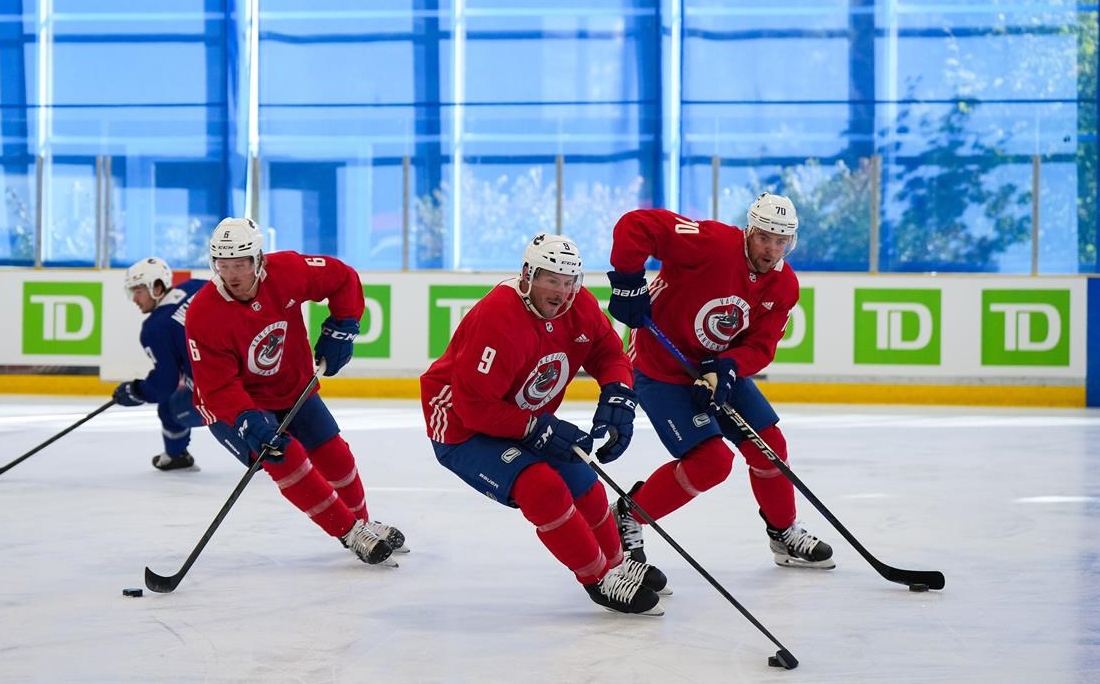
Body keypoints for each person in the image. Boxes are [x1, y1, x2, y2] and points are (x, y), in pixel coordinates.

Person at [420, 233, 669, 616]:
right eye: (551, 279)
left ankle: (618, 563)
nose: (561, 292)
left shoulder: (578, 306)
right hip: (461, 428)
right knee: (542, 487)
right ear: (527, 275)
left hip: (521, 416)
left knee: (583, 478)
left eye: (569, 282)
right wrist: (539, 429)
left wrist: (618, 394)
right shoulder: (498, 318)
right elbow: (474, 408)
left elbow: (608, 352)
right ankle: (598, 577)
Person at [604, 192, 835, 571]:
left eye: (781, 242)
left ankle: (782, 531)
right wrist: (628, 281)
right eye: (764, 238)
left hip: (712, 367)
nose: (771, 250)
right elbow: (636, 225)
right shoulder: (711, 243)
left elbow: (761, 346)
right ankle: (627, 515)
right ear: (749, 231)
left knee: (770, 445)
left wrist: (727, 366)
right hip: (660, 367)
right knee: (711, 462)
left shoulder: (783, 286)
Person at [184, 217, 406, 567]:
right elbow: (218, 387)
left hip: (291, 387)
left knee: (336, 455)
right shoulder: (203, 313)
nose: (232, 274)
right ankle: (350, 533)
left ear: (259, 260)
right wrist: (247, 420)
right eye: (223, 265)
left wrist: (343, 326)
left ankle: (363, 522)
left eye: (240, 263)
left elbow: (342, 277)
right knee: (285, 456)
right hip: (235, 406)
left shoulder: (286, 270)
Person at [113, 257, 209, 471]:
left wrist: (136, 390)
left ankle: (176, 456)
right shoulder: (196, 286)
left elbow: (165, 385)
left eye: (138, 291)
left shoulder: (154, 328)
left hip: (221, 395)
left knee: (168, 407)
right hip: (255, 370)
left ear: (157, 286)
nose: (134, 299)